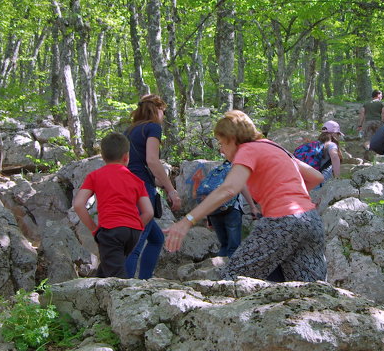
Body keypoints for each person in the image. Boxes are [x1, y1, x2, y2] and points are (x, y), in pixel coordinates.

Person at [164, 110, 327, 282]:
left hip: (282, 221)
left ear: (233, 139)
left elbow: (229, 189)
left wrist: (187, 220)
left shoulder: (247, 149)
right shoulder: (274, 147)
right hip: (310, 220)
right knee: (310, 288)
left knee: (232, 280)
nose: (221, 150)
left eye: (222, 143)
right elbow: (316, 177)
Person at [72, 132, 155, 277]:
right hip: (133, 234)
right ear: (126, 156)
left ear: (103, 156)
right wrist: (135, 225)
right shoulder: (136, 180)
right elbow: (149, 212)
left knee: (116, 277)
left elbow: (79, 205)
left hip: (111, 231)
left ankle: (131, 297)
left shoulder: (95, 176)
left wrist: (94, 230)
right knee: (106, 269)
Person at [124, 94, 183, 278]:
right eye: (163, 111)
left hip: (127, 186)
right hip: (142, 191)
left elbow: (134, 164)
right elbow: (152, 160)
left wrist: (159, 183)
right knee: (136, 244)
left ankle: (145, 280)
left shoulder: (130, 130)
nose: (163, 116)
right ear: (157, 109)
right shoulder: (153, 127)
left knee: (156, 239)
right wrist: (171, 190)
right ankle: (125, 288)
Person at [358, 90, 384, 159]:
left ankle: (368, 151)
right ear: (378, 95)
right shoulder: (381, 103)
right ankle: (379, 155)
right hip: (378, 122)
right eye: (381, 95)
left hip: (368, 122)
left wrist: (360, 125)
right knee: (379, 138)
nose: (381, 97)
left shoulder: (366, 104)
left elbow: (362, 114)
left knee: (367, 139)